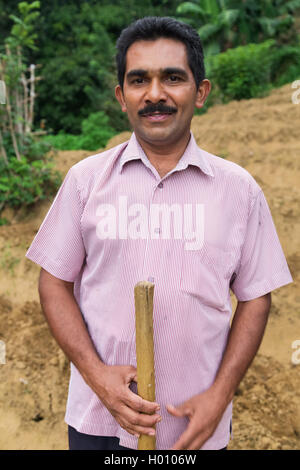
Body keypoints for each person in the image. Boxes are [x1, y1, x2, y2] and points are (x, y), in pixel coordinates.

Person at [25, 17, 293, 451]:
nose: (154, 94)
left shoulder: (238, 189)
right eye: (138, 80)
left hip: (195, 430)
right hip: (100, 424)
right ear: (122, 97)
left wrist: (221, 394)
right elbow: (54, 281)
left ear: (200, 92)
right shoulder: (85, 181)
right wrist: (97, 376)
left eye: (172, 78)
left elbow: (256, 296)